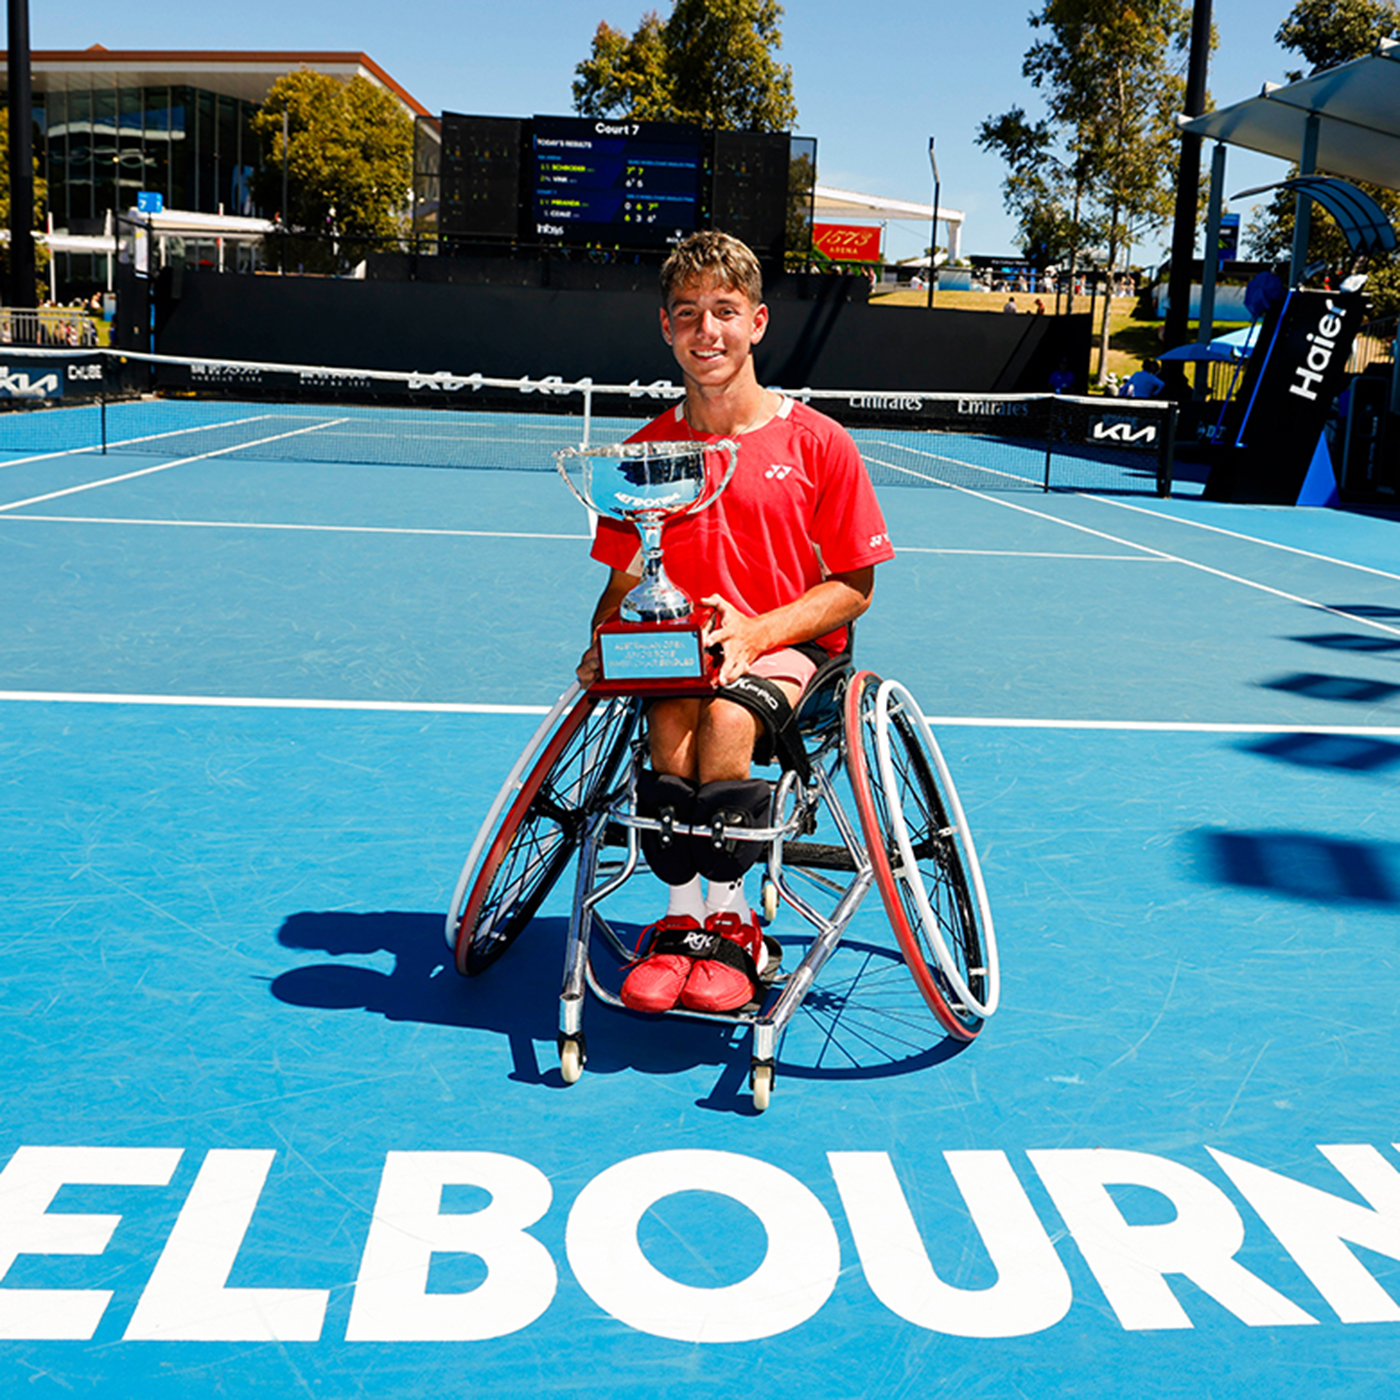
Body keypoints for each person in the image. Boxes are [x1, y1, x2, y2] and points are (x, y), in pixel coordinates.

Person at [577, 230, 895, 1015]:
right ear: (665, 328)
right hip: (678, 651)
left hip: (785, 648)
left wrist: (756, 631)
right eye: (687, 313)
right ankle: (681, 922)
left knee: (722, 715)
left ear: (756, 322)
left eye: (723, 311)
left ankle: (732, 923)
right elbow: (624, 577)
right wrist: (601, 644)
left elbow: (855, 586)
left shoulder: (819, 442)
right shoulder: (645, 449)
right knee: (672, 719)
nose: (705, 330)